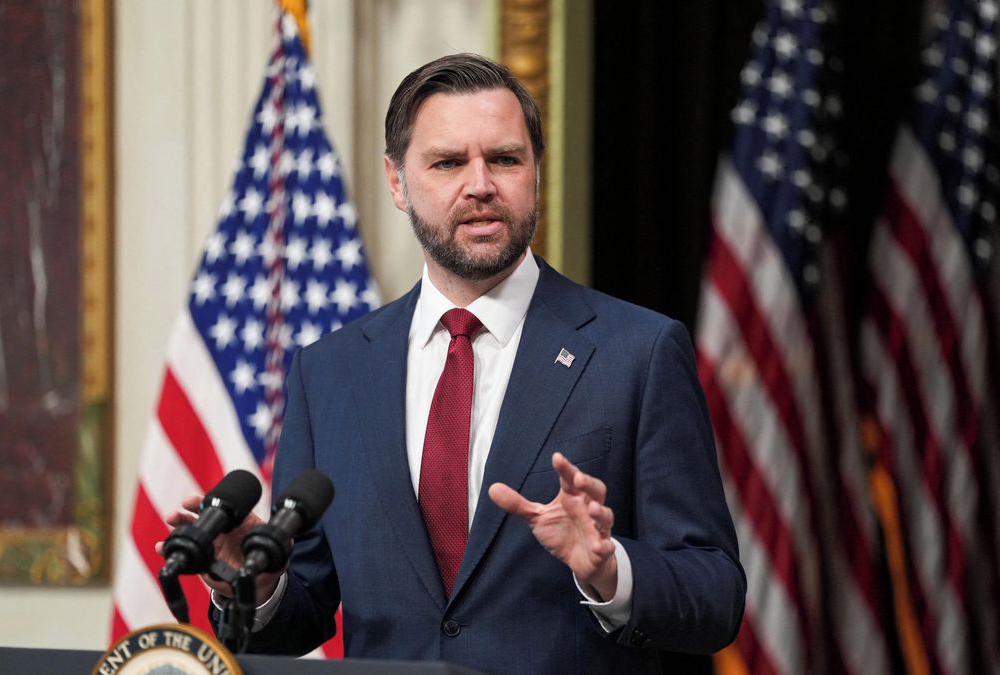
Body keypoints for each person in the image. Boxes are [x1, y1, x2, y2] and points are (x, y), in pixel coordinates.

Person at [166, 53, 745, 673]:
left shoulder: (638, 352)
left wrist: (611, 570)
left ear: (536, 172)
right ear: (396, 181)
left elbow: (715, 596)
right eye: (447, 162)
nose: (480, 185)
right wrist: (252, 582)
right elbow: (303, 609)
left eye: (505, 159)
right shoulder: (329, 372)